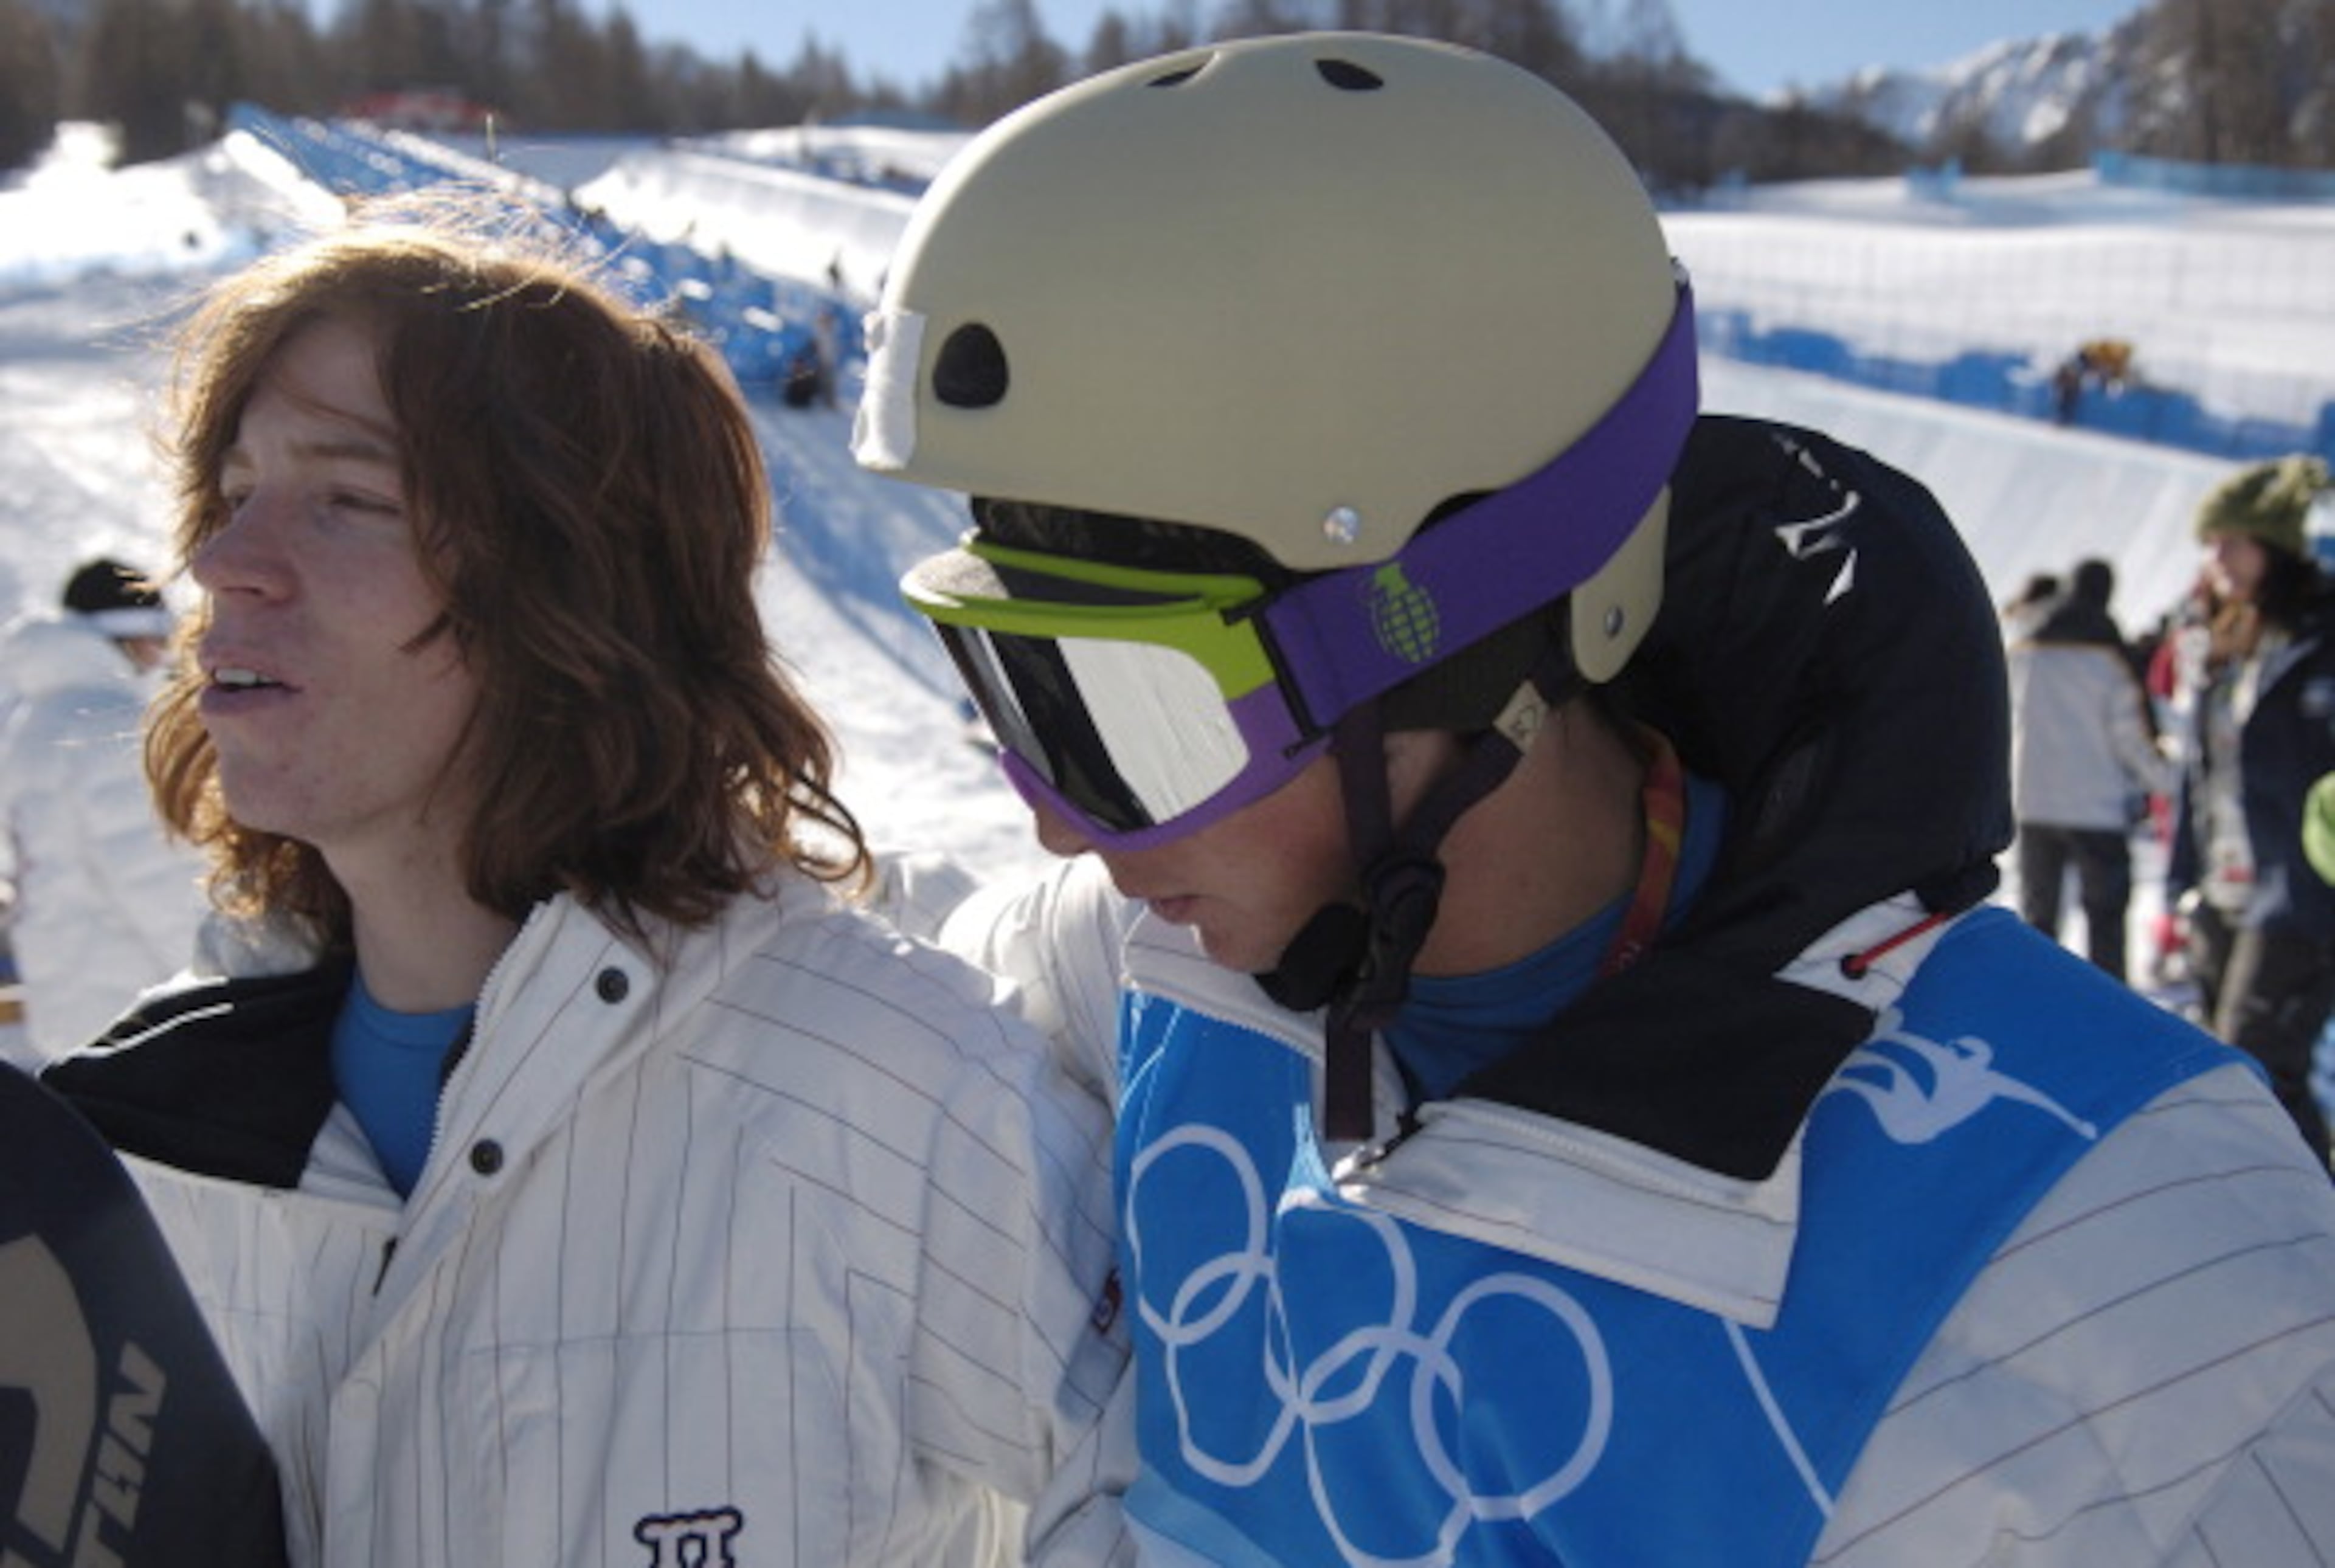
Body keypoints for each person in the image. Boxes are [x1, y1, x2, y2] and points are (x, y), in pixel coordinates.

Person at [852, 33, 2335, 1566]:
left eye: (1117, 715)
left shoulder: (2119, 1248)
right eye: (1006, 690)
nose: (1056, 824)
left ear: (1449, 644)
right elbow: (843, 1009)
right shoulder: (1134, 975)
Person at [42, 202, 1124, 1568]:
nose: (219, 564)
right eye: (233, 493)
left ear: (577, 589)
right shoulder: (144, 1133)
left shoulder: (889, 1084)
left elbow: (1182, 1509)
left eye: (348, 499)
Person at [2164, 453, 2335, 1167]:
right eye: (2209, 543)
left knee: (2257, 1062)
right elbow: (2200, 775)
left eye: (2231, 540)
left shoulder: (2321, 642)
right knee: (2225, 1065)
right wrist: (2181, 882)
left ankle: (2307, 1224)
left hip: (2298, 895)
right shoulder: (2226, 643)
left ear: (2275, 547)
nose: (2216, 558)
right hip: (2225, 890)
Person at [0, 558, 209, 1069]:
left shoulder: (36, 721)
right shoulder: (109, 726)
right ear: (125, 636)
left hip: (69, 996)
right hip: (135, 1007)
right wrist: (217, 980)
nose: (162, 654)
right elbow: (156, 878)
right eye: (157, 636)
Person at [2004, 557, 2170, 980]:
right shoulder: (2109, 660)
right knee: (2106, 917)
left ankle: (2035, 1000)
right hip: (2097, 809)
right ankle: (2108, 1009)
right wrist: (2166, 782)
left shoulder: (2023, 654)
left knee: (2038, 917)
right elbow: (2129, 738)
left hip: (2034, 803)